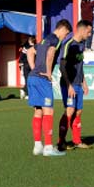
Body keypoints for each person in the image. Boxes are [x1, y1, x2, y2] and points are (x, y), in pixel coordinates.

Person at [26, 19, 72, 157]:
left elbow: (29, 52)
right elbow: (51, 53)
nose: (66, 36)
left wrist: (34, 69)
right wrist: (47, 72)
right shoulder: (55, 40)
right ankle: (48, 147)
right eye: (66, 33)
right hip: (42, 79)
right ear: (62, 29)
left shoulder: (43, 40)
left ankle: (37, 146)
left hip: (32, 77)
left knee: (38, 111)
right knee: (49, 111)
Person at [58, 20, 94, 150]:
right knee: (70, 110)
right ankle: (61, 141)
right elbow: (62, 67)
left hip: (78, 83)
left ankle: (77, 141)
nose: (89, 35)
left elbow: (80, 65)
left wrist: (84, 83)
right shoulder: (68, 44)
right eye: (89, 32)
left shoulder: (81, 44)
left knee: (78, 111)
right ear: (82, 30)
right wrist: (69, 85)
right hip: (69, 84)